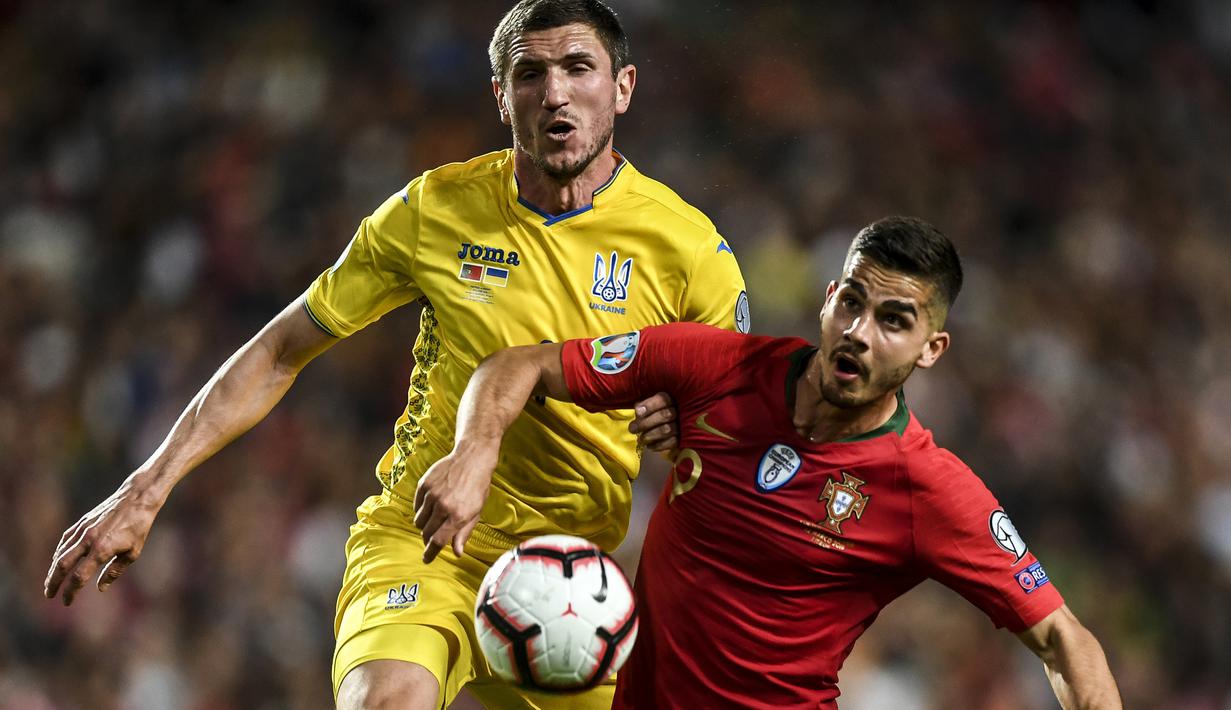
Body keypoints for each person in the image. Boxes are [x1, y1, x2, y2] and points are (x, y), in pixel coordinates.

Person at [43, 1, 748, 708]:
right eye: (529, 73)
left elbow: (745, 436)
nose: (555, 92)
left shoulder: (689, 253)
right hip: (422, 546)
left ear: (622, 87)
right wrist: (147, 490)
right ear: (501, 98)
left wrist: (690, 423)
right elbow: (282, 349)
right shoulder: (434, 209)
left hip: (571, 581)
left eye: (577, 68)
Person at [415, 216, 1122, 709]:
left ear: (930, 349)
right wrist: (473, 453)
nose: (857, 332)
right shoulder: (711, 367)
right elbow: (522, 364)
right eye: (851, 301)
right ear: (828, 298)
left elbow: (1064, 639)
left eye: (893, 321)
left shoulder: (926, 488)